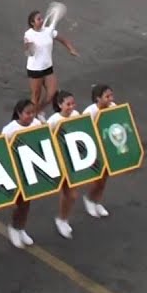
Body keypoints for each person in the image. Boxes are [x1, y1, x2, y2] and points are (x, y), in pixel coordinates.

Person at [24, 9, 78, 118]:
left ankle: (38, 111)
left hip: (48, 68)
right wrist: (29, 48)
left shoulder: (49, 31)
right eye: (38, 19)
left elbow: (62, 39)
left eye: (41, 18)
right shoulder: (29, 34)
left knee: (51, 94)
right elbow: (28, 51)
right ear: (32, 23)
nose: (41, 20)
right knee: (36, 96)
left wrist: (71, 49)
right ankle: (32, 118)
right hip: (35, 69)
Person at [1, 99, 39, 249]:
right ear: (19, 113)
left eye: (33, 113)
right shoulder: (9, 130)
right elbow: (2, 150)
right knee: (20, 202)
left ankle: (21, 228)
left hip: (30, 170)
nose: (31, 116)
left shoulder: (36, 124)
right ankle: (14, 227)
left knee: (27, 202)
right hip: (16, 170)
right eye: (27, 113)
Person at [45, 90, 80, 238]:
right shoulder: (53, 121)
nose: (71, 107)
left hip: (73, 160)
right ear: (60, 105)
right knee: (71, 194)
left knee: (71, 195)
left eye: (73, 103)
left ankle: (63, 219)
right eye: (68, 104)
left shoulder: (76, 115)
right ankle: (62, 219)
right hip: (60, 161)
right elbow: (46, 140)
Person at [81, 84, 116, 218]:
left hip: (107, 148)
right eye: (107, 96)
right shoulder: (89, 112)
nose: (111, 99)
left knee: (104, 178)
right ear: (98, 98)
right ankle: (89, 199)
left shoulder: (113, 107)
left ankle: (97, 201)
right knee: (98, 179)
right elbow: (83, 132)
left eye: (111, 95)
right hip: (93, 150)